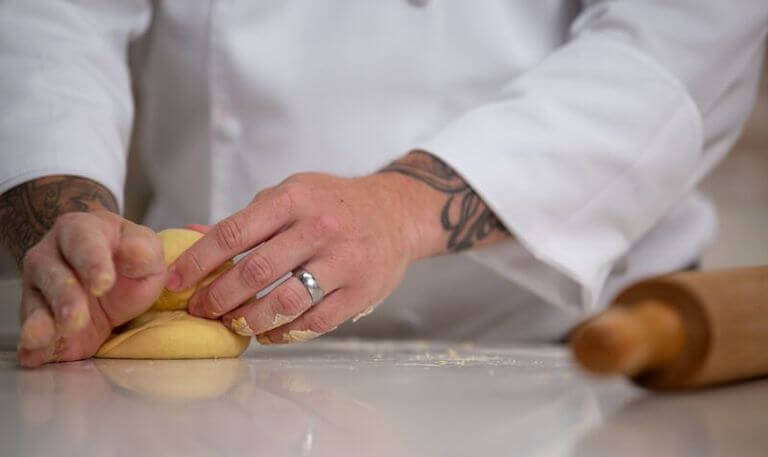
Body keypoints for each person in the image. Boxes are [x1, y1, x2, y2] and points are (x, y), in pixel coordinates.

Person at [1, 1, 766, 368]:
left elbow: (679, 46)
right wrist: (65, 210)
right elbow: (49, 18)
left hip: (571, 355)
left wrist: (400, 210)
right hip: (206, 368)